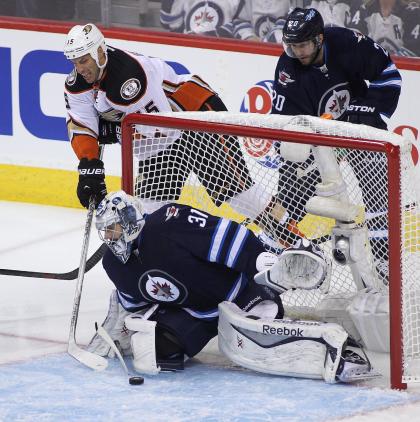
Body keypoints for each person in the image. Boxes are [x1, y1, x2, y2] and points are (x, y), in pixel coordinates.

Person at [86, 190, 377, 383]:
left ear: (130, 221)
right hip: (195, 313)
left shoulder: (168, 222)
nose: (110, 237)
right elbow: (135, 304)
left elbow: (228, 237)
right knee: (159, 353)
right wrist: (123, 328)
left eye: (114, 227)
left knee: (253, 341)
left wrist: (261, 263)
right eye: (106, 230)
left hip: (242, 292)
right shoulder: (113, 265)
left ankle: (336, 347)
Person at [63, 23, 267, 220]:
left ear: (99, 53)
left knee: (241, 197)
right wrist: (89, 168)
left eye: (83, 61)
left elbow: (159, 128)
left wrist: (115, 130)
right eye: (75, 62)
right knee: (146, 212)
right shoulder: (77, 84)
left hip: (196, 116)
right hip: (160, 140)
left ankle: (291, 238)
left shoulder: (130, 78)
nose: (79, 69)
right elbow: (82, 126)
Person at [269, 7, 402, 282]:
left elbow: (388, 74)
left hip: (360, 126)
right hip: (319, 136)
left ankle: (383, 260)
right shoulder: (288, 67)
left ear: (319, 39)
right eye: (292, 46)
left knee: (379, 187)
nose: (297, 52)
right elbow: (284, 120)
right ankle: (273, 251)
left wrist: (368, 112)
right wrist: (291, 151)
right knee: (291, 193)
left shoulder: (347, 43)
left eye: (303, 45)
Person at [159, 0, 257, 40]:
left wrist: (250, 38)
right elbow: (167, 22)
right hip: (188, 48)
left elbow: (242, 26)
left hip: (222, 53)